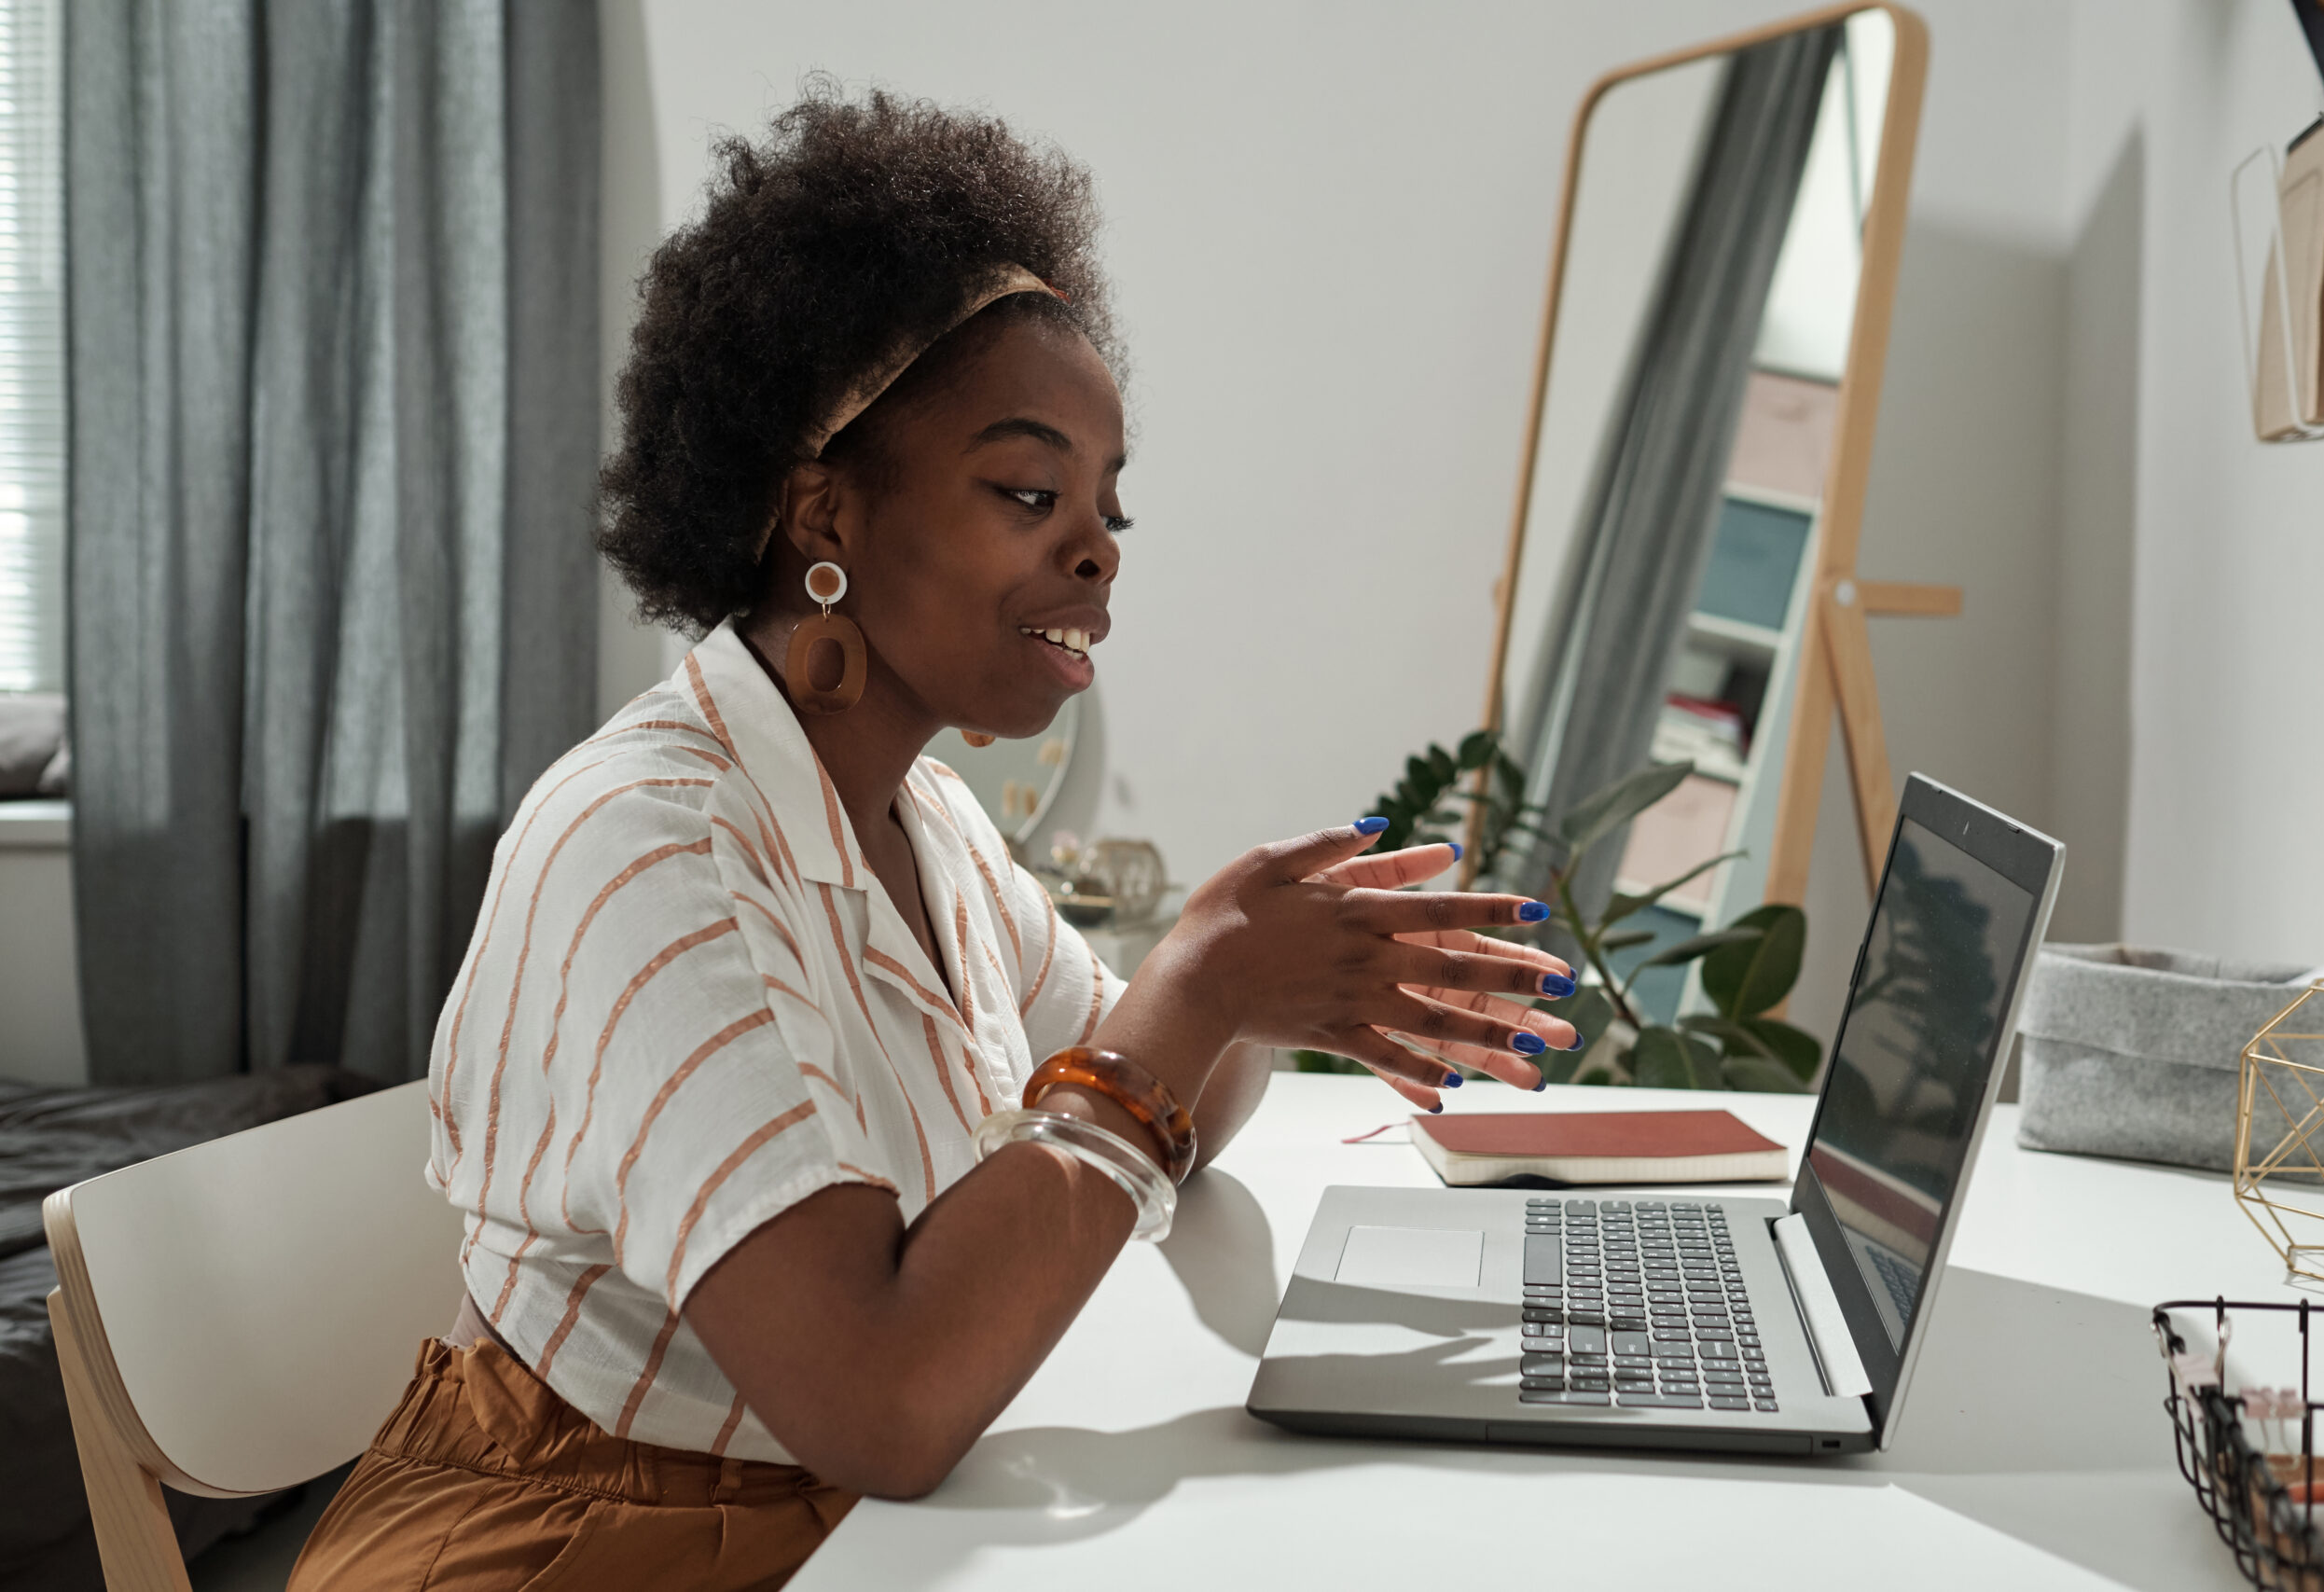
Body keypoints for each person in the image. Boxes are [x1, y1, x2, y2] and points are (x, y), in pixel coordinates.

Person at [289, 83, 1581, 1592]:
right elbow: (883, 1401)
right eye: (1029, 491)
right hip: (581, 1537)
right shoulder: (650, 847)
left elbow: (1151, 1106)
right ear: (824, 513)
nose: (1094, 547)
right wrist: (1201, 991)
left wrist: (1252, 985)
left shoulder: (927, 829)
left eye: (1108, 508)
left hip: (831, 1517)